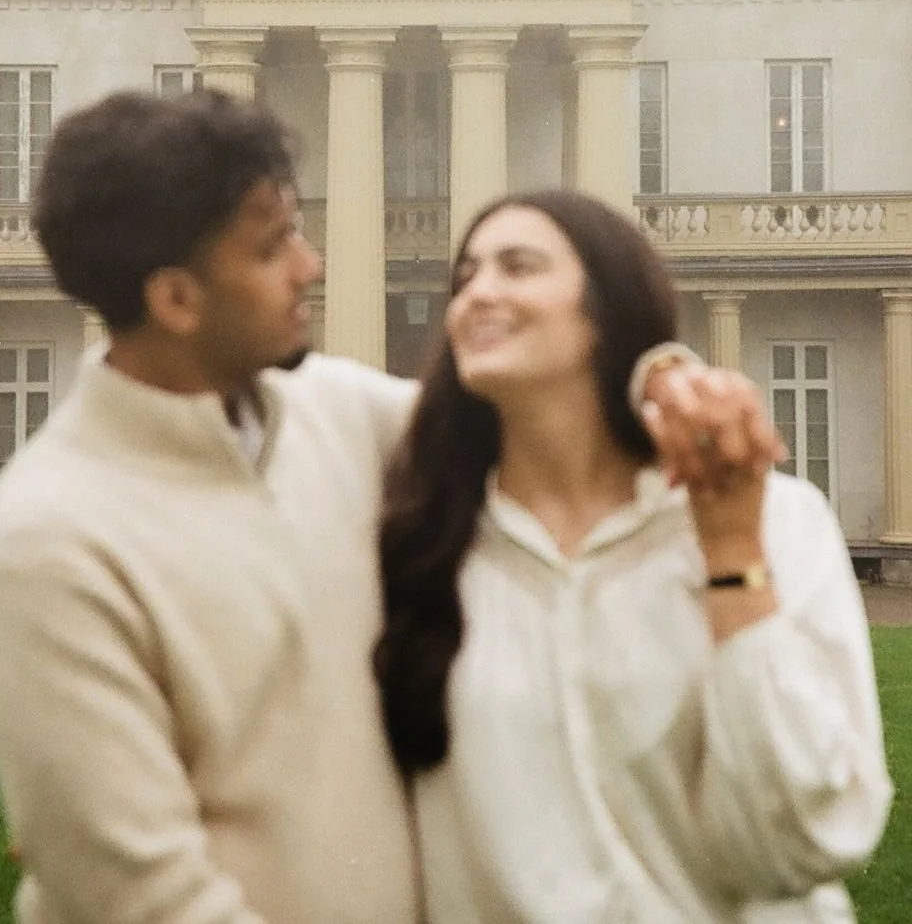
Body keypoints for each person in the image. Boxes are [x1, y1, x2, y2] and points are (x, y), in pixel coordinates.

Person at [0, 89, 785, 924]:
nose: (311, 264)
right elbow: (142, 899)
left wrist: (662, 376)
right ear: (177, 300)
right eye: (273, 245)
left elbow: (533, 406)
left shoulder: (331, 415)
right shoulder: (48, 539)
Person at [375, 189, 893, 924]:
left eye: (517, 266)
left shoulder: (777, 518)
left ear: (605, 309)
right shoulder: (428, 537)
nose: (478, 292)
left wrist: (731, 552)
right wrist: (664, 373)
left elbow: (802, 843)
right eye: (465, 278)